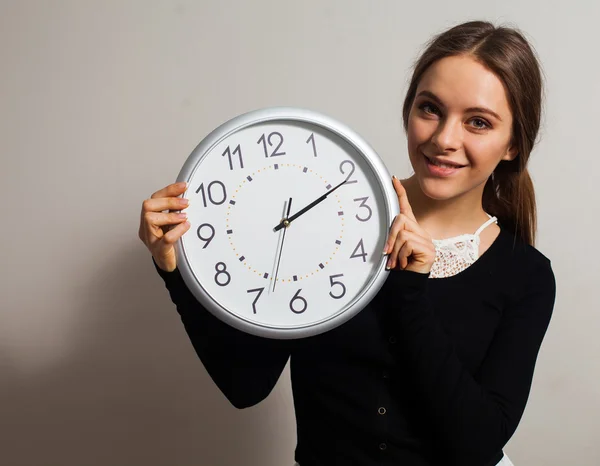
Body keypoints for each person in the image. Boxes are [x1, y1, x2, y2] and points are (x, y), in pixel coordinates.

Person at [138, 20, 556, 466]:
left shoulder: (525, 275)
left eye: (478, 122)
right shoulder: (327, 223)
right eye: (430, 109)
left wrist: (409, 291)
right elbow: (246, 386)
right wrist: (174, 270)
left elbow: (477, 443)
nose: (443, 139)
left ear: (513, 144)